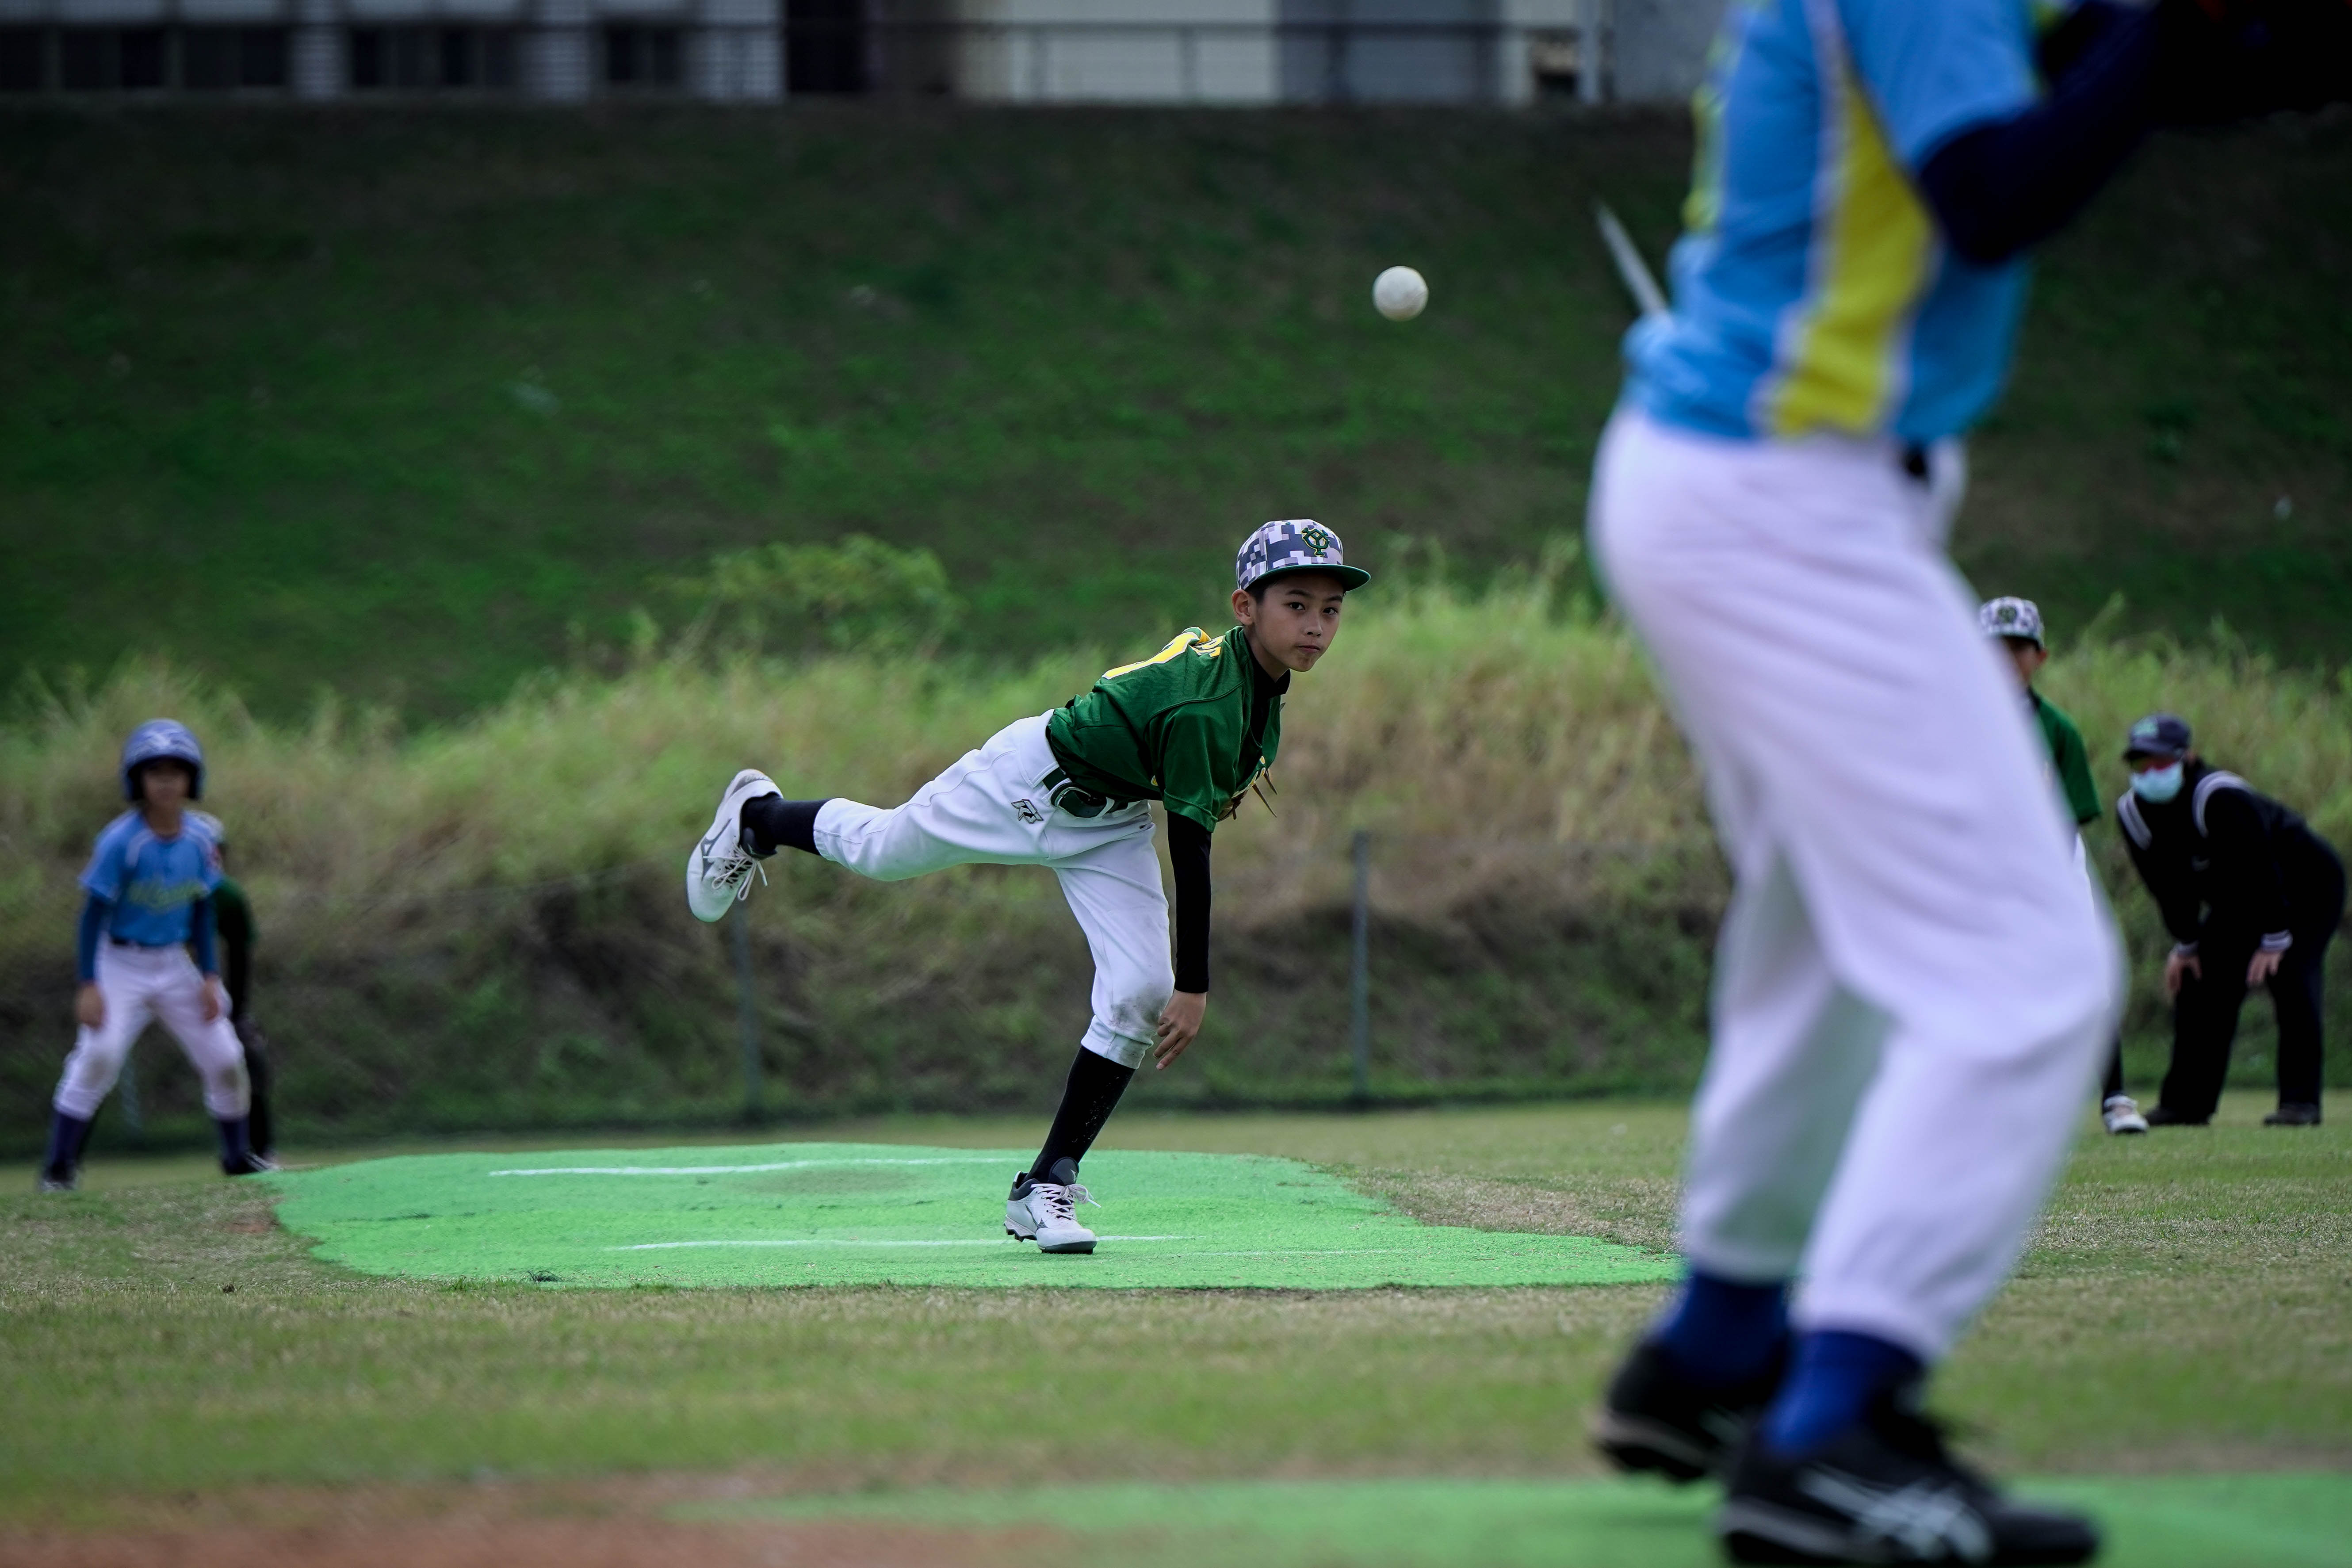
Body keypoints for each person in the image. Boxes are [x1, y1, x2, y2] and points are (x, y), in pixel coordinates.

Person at [1582, 0, 2344, 1557]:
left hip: (1748, 487)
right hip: (1784, 501)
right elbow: (1993, 189)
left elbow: (2106, 74)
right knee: (2023, 975)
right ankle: (1833, 1424)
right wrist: (2161, 39)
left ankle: (1717, 1350)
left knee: (1823, 948)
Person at [684, 520, 1366, 1255]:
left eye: (1330, 608)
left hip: (1108, 822)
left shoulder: (1258, 689)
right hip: (1029, 780)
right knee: (882, 851)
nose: (1315, 625)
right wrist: (1195, 985)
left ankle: (1046, 1183)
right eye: (1295, 604)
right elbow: (1190, 842)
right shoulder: (1209, 702)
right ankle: (757, 817)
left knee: (1138, 991)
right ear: (1244, 607)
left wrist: (1174, 981)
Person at [39, 720, 271, 1192]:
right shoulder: (121, 841)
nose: (166, 781)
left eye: (176, 771)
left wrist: (210, 976)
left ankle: (236, 1158)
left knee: (225, 1057)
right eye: (154, 772)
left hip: (172, 963)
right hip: (119, 962)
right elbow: (91, 916)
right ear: (137, 780)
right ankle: (59, 1170)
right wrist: (88, 983)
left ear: (191, 779)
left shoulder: (201, 839)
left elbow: (202, 909)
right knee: (99, 1056)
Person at [2115, 713, 2343, 1128]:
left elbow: (2261, 868)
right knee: (2198, 980)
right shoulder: (2133, 813)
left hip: (2306, 885)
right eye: (2139, 763)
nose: (2149, 772)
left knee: (2291, 974)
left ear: (2187, 758)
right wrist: (2186, 943)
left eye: (2160, 762)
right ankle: (2186, 1104)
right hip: (2239, 899)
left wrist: (2274, 938)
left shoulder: (2218, 796)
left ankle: (2300, 1103)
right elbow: (2167, 887)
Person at [1981, 596, 2147, 1135]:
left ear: (2040, 657)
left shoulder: (2058, 730)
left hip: (2050, 866)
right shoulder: (1953, 724)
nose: (2007, 658)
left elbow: (2070, 816)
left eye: (2019, 648)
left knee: (2087, 977)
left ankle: (2115, 1098)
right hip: (1976, 868)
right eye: (1995, 648)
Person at [211, 848, 278, 1161]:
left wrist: (236, 1012)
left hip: (206, 992)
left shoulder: (227, 896)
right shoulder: (158, 892)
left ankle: (259, 1152)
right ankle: (66, 1162)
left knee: (246, 1053)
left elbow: (240, 957)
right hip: (140, 980)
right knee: (100, 1057)